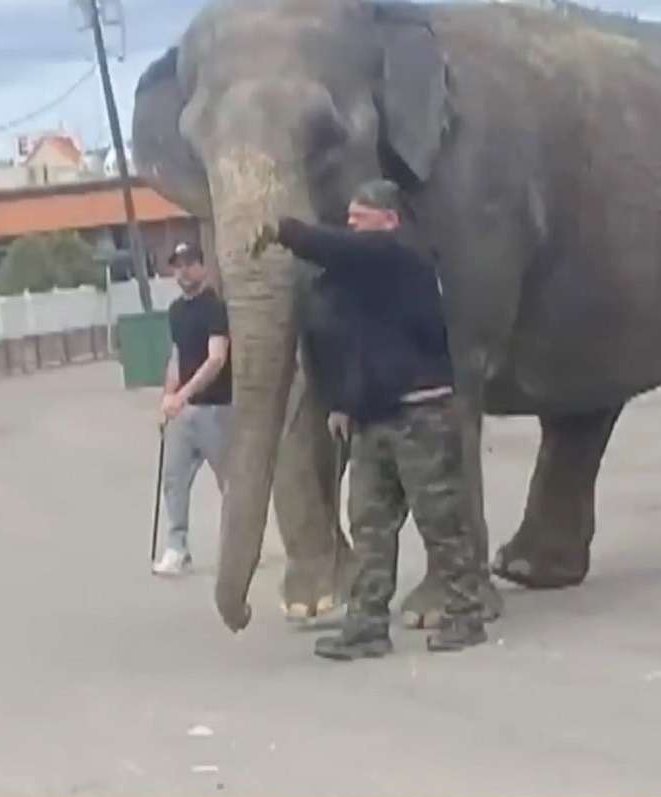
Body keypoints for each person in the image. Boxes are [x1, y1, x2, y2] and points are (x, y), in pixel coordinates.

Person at [261, 179, 488, 658]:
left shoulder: (401, 257)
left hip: (421, 414)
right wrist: (344, 403)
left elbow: (333, 247)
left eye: (359, 218)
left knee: (441, 520)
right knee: (369, 526)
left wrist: (283, 229)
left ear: (389, 220)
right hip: (373, 419)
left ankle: (466, 613)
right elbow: (355, 348)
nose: (351, 226)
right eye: (348, 219)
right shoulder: (364, 279)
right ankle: (366, 626)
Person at [152, 242, 232, 576]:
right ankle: (177, 547)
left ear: (202, 267)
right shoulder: (175, 311)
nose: (183, 271)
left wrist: (183, 394)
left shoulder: (214, 307)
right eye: (177, 265)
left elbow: (217, 357)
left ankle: (235, 548)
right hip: (184, 413)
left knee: (229, 482)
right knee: (174, 479)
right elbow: (177, 357)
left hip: (217, 408)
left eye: (189, 264)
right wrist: (167, 399)